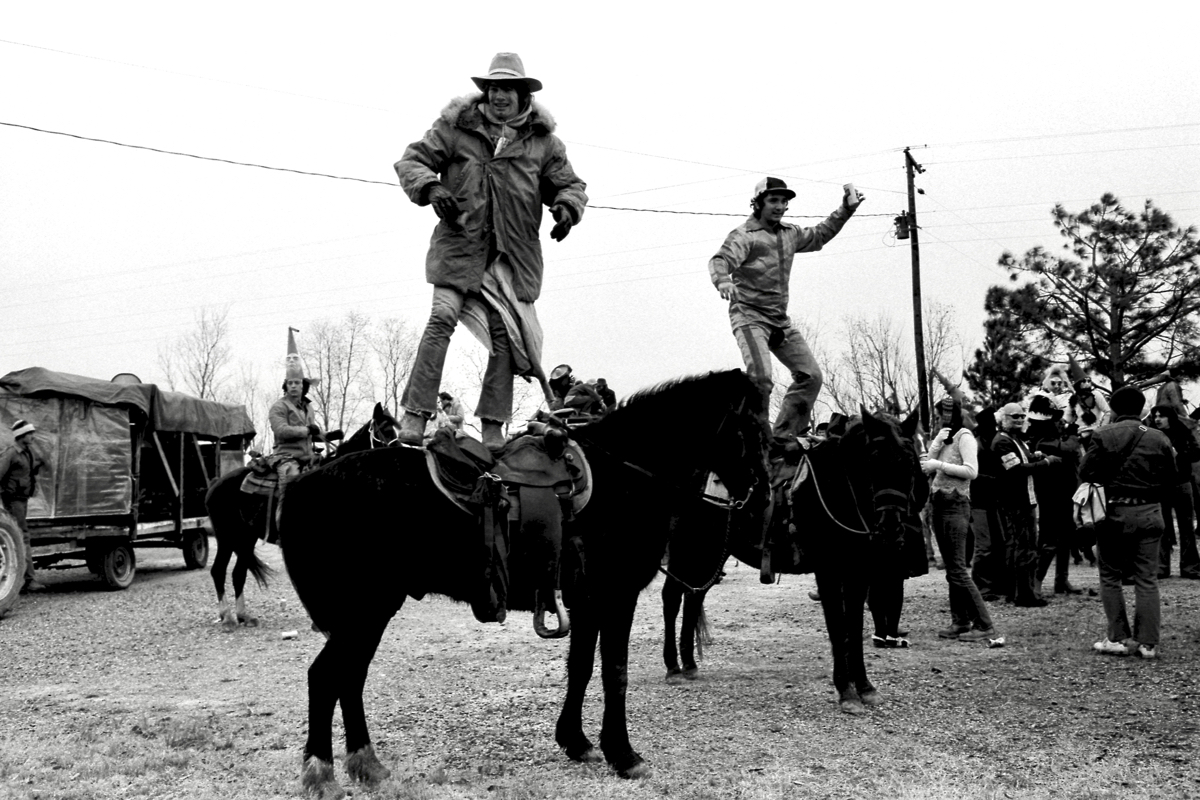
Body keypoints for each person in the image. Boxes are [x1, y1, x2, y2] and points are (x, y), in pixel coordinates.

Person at [394, 53, 588, 453]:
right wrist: (431, 187)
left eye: (508, 89)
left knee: (505, 338)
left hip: (510, 260)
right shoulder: (454, 130)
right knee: (441, 318)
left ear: (523, 95)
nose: (500, 96)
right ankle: (414, 415)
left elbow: (570, 184)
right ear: (485, 92)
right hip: (459, 248)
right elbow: (413, 160)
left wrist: (567, 209)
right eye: (494, 88)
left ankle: (494, 424)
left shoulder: (543, 143)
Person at [708, 177, 862, 439]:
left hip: (779, 321)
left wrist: (846, 209)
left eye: (784, 201)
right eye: (773, 201)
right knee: (761, 378)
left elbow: (820, 234)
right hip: (749, 316)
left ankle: (783, 437)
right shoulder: (745, 236)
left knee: (811, 376)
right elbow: (720, 259)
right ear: (758, 203)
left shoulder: (790, 234)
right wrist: (723, 279)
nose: (779, 206)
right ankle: (758, 438)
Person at [1080, 386, 1177, 659]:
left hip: (1112, 513)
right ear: (1142, 408)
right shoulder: (1159, 438)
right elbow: (1173, 476)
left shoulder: (1102, 435)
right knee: (1147, 578)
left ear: (1113, 408)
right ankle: (1148, 643)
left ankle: (1118, 638)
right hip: (1149, 512)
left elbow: (1085, 471)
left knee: (1110, 576)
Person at [922, 397, 996, 642]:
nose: (937, 420)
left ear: (950, 414)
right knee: (951, 569)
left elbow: (971, 471)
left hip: (956, 504)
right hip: (939, 504)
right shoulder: (945, 437)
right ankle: (960, 620)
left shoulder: (965, 437)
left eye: (939, 415)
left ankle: (984, 624)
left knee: (958, 568)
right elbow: (926, 467)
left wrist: (939, 464)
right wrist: (936, 445)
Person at [993, 402, 1061, 607]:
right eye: (1015, 416)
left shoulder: (1015, 440)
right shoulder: (1002, 442)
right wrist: (1046, 463)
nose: (1020, 419)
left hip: (1025, 499)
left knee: (1021, 547)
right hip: (1017, 502)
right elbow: (1015, 470)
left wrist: (1036, 456)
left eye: (1023, 416)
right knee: (1024, 548)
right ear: (1003, 418)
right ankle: (1025, 595)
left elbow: (1024, 460)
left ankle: (1016, 592)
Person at [1026, 395, 1083, 595]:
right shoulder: (1043, 441)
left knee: (1066, 537)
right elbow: (1069, 449)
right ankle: (1036, 582)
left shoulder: (1050, 438)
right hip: (1051, 494)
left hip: (1065, 492)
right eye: (1056, 419)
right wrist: (1074, 435)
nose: (1061, 423)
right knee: (1049, 540)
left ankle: (1061, 581)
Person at [1149, 404, 1200, 580]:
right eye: (1155, 416)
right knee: (1161, 527)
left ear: (1170, 417)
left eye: (1161, 416)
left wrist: (1179, 454)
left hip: (1182, 483)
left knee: (1186, 527)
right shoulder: (1151, 435)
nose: (1157, 419)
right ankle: (1161, 568)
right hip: (1161, 485)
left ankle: (1190, 566)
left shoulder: (1183, 431)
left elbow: (1196, 453)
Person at [269, 330, 323, 491]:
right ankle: (283, 514)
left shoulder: (308, 407)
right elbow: (281, 431)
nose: (293, 386)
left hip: (308, 457)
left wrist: (330, 435)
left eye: (297, 383)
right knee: (291, 483)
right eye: (290, 383)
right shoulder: (278, 407)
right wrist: (307, 430)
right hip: (286, 457)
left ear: (303, 386)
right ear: (286, 386)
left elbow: (313, 432)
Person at [0, 419, 44, 593]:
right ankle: (28, 580)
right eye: (30, 433)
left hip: (22, 499)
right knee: (21, 537)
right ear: (21, 436)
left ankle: (26, 579)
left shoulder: (27, 453)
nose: (32, 436)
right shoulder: (11, 454)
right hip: (13, 501)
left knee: (22, 536)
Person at [1065, 356, 1111, 438]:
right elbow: (1067, 418)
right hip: (1080, 434)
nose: (1087, 383)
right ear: (1078, 384)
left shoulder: (1096, 394)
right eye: (1084, 381)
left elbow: (1108, 412)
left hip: (1095, 432)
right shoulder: (1073, 399)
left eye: (1089, 381)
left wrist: (1101, 428)